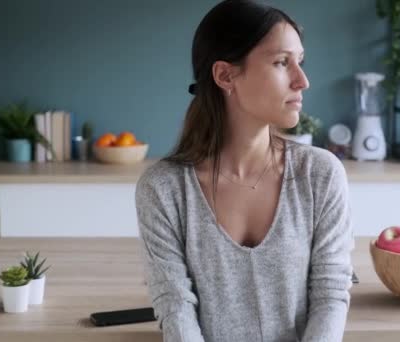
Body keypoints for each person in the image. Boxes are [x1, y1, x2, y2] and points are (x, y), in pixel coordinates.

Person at [135, 0, 354, 341]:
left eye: (300, 61)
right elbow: (174, 306)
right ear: (225, 75)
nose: (302, 81)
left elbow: (331, 295)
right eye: (282, 62)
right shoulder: (163, 189)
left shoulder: (320, 174)